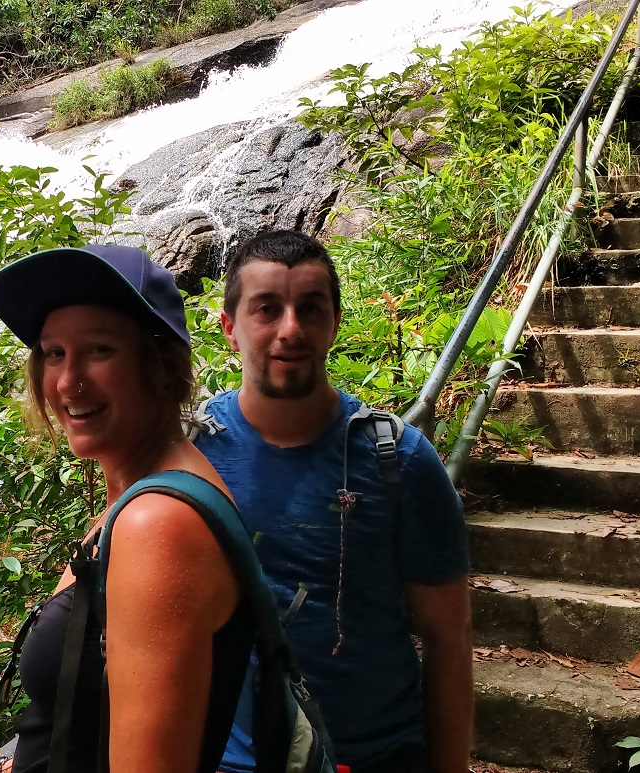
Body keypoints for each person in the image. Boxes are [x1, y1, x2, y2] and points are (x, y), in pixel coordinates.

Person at [0, 244, 254, 773]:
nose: (67, 381)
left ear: (162, 365)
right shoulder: (138, 497)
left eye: (98, 350)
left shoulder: (159, 525)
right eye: (54, 353)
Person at [193, 230, 473, 773]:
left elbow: (448, 635)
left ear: (334, 323)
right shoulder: (191, 452)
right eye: (267, 309)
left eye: (310, 308)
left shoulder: (401, 461)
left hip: (374, 755)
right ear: (230, 327)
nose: (290, 329)